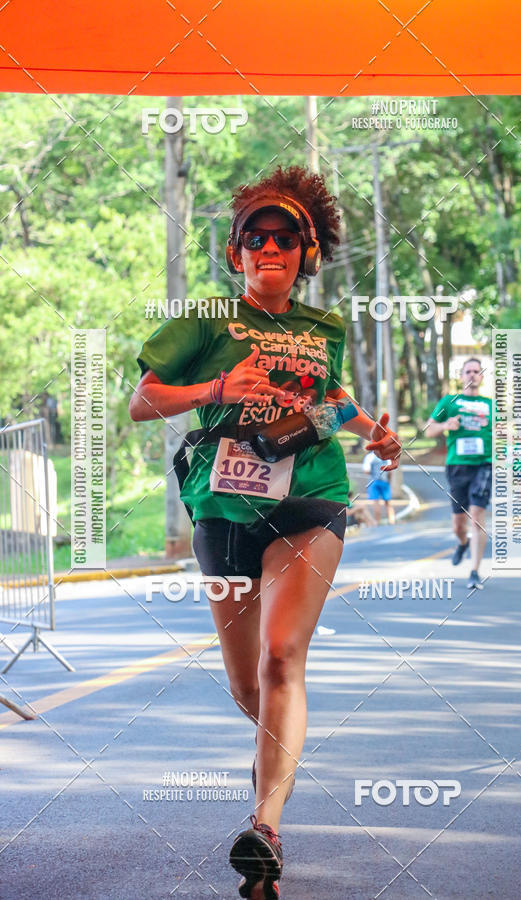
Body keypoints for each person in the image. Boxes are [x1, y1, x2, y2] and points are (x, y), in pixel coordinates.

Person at [129, 165, 402, 900]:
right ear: (237, 251)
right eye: (256, 237)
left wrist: (373, 431)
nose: (269, 248)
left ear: (306, 254)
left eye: (286, 238)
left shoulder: (324, 328)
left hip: (310, 497)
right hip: (221, 510)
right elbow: (142, 402)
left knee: (285, 656)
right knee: (250, 685)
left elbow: (331, 398)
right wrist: (217, 389)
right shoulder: (202, 320)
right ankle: (272, 757)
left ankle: (265, 824)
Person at [424, 358, 492, 590]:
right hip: (457, 466)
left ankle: (474, 571)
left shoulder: (491, 405)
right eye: (468, 371)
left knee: (477, 515)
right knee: (458, 525)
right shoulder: (450, 402)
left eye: (476, 371)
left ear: (481, 377)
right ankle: (462, 543)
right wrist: (445, 426)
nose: (472, 375)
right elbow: (428, 429)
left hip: (484, 465)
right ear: (461, 376)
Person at [362, 444, 395, 524]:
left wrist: (373, 473)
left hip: (374, 482)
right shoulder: (386, 457)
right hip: (385, 481)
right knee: (388, 503)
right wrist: (389, 481)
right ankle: (392, 522)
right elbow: (390, 472)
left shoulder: (369, 457)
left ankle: (378, 522)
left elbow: (366, 471)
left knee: (376, 502)